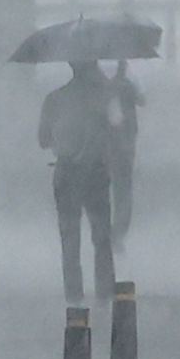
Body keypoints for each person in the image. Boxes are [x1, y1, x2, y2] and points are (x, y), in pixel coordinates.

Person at [38, 60, 115, 305]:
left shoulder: (54, 99)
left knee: (69, 238)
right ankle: (105, 292)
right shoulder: (101, 100)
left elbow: (42, 140)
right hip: (95, 173)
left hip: (66, 172)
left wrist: (64, 141)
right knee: (101, 236)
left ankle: (74, 295)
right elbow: (113, 133)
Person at [108, 61, 145, 251]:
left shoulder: (108, 86)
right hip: (125, 145)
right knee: (123, 190)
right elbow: (143, 101)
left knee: (114, 189)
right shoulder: (127, 86)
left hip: (111, 145)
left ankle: (113, 233)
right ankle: (118, 233)